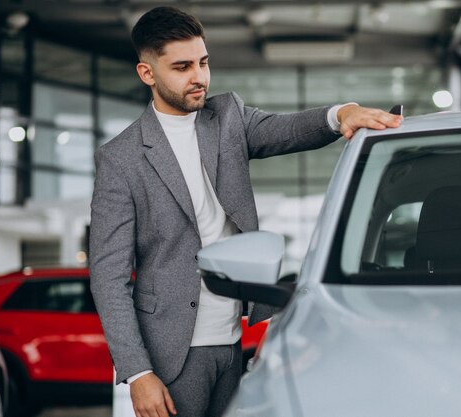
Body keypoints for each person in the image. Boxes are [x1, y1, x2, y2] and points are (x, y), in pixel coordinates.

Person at [89, 6, 402, 417]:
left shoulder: (228, 118)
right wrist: (138, 372)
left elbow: (288, 130)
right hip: (170, 355)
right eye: (182, 67)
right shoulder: (121, 158)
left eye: (203, 62)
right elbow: (108, 277)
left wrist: (341, 113)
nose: (199, 76)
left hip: (235, 338)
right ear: (148, 74)